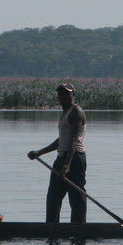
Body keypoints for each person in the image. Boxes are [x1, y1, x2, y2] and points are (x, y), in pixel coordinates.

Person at [28, 84, 88, 223]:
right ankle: (52, 229)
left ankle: (79, 229)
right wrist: (39, 153)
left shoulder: (76, 111)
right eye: (60, 94)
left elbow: (73, 141)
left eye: (66, 93)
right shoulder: (65, 113)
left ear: (73, 95)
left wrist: (67, 165)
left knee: (76, 198)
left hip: (75, 158)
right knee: (53, 198)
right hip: (62, 157)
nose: (63, 96)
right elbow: (62, 140)